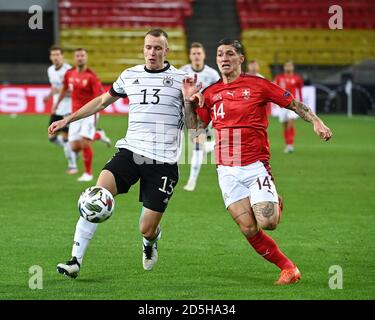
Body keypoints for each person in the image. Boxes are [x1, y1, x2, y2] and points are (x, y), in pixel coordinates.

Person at [48, 29, 201, 278]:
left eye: (158, 48)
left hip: (163, 161)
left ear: (167, 51)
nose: (152, 52)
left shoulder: (182, 80)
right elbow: (100, 102)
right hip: (130, 151)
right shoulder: (130, 75)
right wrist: (69, 118)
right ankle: (75, 260)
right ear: (143, 49)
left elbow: (195, 129)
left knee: (146, 228)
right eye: (148, 47)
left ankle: (150, 243)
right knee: (95, 196)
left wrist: (187, 100)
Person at [184, 39, 332, 285]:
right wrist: (188, 102)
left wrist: (317, 122)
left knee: (268, 222)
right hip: (226, 170)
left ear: (240, 59)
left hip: (255, 166)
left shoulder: (258, 85)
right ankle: (288, 268)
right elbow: (195, 131)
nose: (224, 58)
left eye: (230, 53)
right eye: (220, 54)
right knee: (249, 228)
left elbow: (293, 104)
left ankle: (274, 200)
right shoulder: (211, 93)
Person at [54, 48, 112, 182]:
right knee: (74, 147)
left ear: (86, 58)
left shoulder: (91, 77)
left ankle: (88, 173)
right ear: (74, 58)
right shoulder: (69, 74)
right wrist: (57, 103)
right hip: (75, 114)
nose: (80, 58)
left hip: (89, 113)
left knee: (85, 143)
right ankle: (99, 135)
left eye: (82, 55)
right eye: (77, 56)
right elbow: (64, 89)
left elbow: (100, 97)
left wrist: (97, 112)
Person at [180, 42, 220, 191]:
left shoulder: (212, 74)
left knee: (197, 145)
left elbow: (218, 94)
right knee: (199, 144)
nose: (196, 56)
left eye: (199, 53)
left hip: (205, 116)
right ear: (190, 56)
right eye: (194, 53)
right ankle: (212, 146)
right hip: (189, 115)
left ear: (203, 55)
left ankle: (191, 181)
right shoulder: (183, 72)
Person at [45, 45, 78, 175]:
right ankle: (72, 151)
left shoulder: (69, 70)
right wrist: (48, 96)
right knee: (51, 137)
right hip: (57, 108)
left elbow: (72, 90)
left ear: (62, 56)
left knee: (65, 138)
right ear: (50, 57)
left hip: (68, 109)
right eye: (53, 55)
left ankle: (72, 166)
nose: (56, 57)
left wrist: (60, 91)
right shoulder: (50, 70)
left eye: (58, 54)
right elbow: (54, 87)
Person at [274, 60, 304, 153]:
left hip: (293, 104)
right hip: (282, 105)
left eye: (290, 66)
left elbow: (300, 90)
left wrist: (301, 102)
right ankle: (287, 144)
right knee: (285, 125)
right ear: (284, 67)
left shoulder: (297, 78)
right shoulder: (279, 78)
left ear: (293, 67)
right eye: (287, 66)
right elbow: (275, 90)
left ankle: (290, 144)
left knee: (291, 123)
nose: (288, 68)